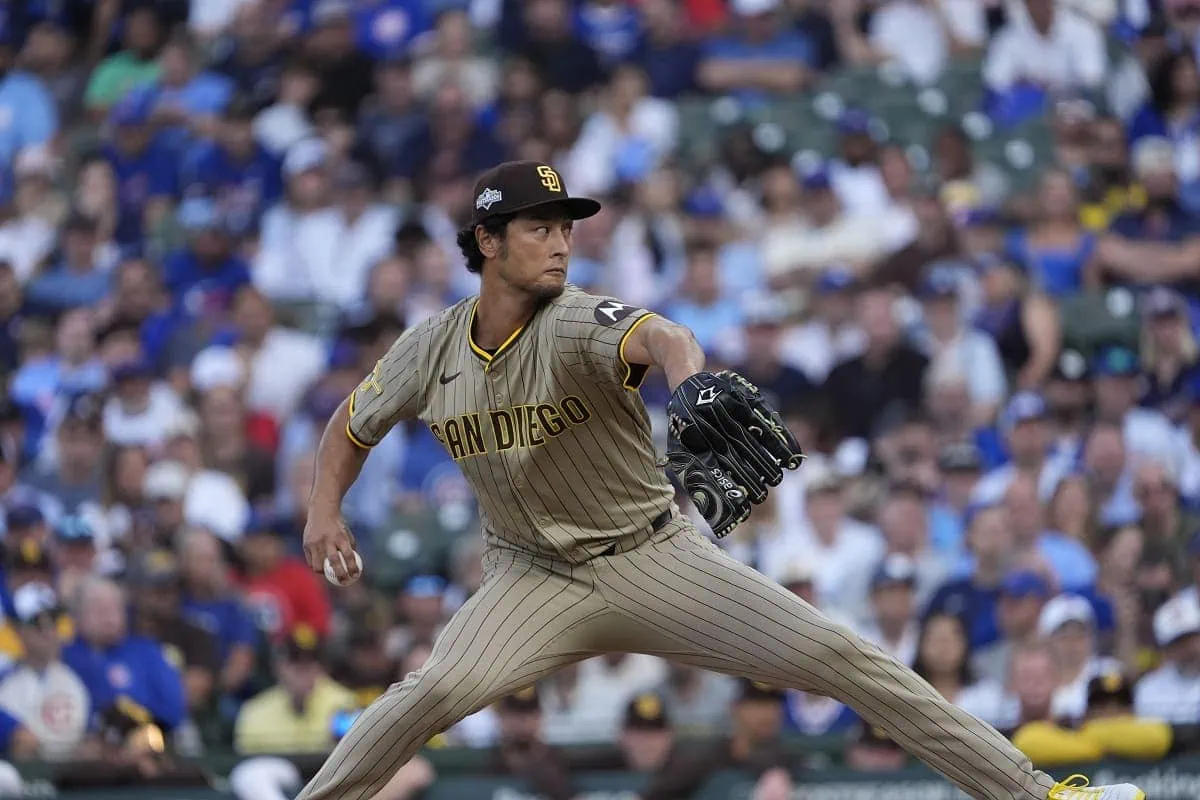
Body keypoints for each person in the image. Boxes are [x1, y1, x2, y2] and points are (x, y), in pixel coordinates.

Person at [296, 160, 1143, 800]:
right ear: (486, 241)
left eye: (567, 225)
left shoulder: (575, 320)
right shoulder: (432, 348)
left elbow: (660, 337)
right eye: (537, 226)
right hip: (530, 576)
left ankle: (1042, 794)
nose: (560, 240)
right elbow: (351, 425)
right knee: (433, 689)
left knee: (840, 654)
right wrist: (323, 509)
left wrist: (687, 377)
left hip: (654, 559)